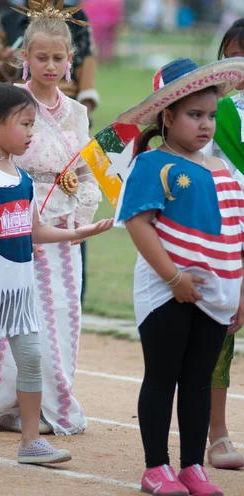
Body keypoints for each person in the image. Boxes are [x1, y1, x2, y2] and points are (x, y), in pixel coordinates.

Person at [0, 83, 112, 463]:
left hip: (19, 291)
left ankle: (31, 441)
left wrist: (77, 232)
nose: (32, 134)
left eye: (34, 125)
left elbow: (35, 230)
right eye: (26, 124)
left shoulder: (21, 178)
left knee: (31, 357)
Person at [0, 1, 102, 435]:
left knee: (61, 313)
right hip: (16, 225)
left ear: (71, 61)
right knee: (19, 314)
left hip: (63, 229)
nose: (50, 65)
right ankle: (1, 404)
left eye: (58, 58)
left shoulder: (78, 113)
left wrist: (82, 211)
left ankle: (50, 406)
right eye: (40, 57)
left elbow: (86, 169)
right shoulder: (13, 104)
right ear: (23, 57)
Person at [114, 57, 244, 496]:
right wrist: (174, 280)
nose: (205, 125)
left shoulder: (226, 171)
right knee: (163, 376)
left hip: (215, 297)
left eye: (210, 116)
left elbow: (236, 235)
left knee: (198, 381)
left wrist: (240, 293)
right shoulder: (152, 164)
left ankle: (192, 467)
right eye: (194, 115)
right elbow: (137, 223)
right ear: (167, 117)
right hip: (167, 294)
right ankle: (156, 468)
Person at [201, 18, 244, 470]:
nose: (234, 70)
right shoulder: (212, 112)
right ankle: (217, 434)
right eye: (229, 59)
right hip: (223, 236)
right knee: (221, 335)